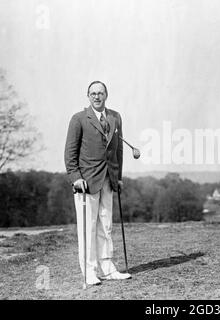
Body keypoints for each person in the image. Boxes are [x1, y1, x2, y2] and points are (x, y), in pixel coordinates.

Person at [64, 81, 131, 285]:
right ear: (88, 96)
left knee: (106, 225)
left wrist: (118, 177)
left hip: (109, 180)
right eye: (93, 93)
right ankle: (90, 271)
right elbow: (70, 152)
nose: (97, 97)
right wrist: (76, 178)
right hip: (87, 182)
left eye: (100, 93)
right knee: (87, 227)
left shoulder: (115, 117)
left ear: (106, 95)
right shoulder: (78, 119)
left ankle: (108, 268)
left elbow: (118, 149)